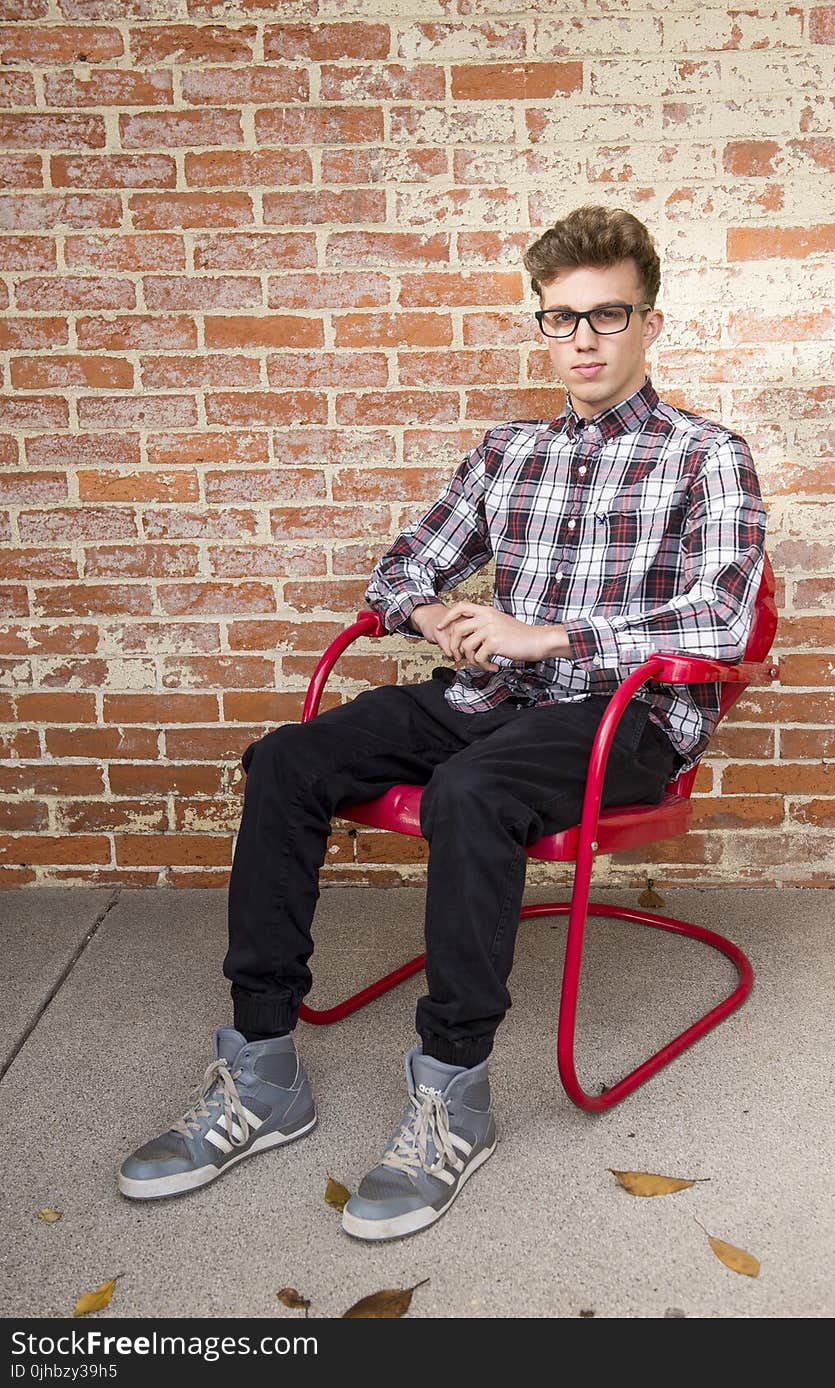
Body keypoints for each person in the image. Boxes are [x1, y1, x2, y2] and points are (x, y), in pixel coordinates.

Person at [118, 204, 767, 1241]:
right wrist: (435, 615)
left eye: (607, 315)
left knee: (475, 793)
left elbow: (721, 618)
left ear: (651, 323)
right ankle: (260, 1067)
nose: (583, 340)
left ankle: (451, 1092)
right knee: (286, 760)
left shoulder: (706, 456)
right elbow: (402, 567)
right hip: (486, 699)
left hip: (622, 717)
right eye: (560, 319)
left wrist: (542, 634)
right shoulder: (506, 451)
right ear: (542, 326)